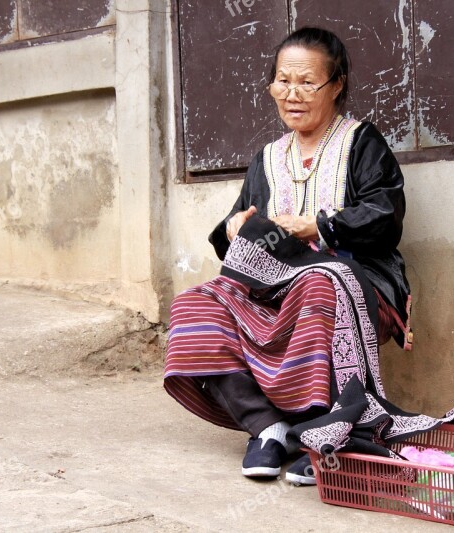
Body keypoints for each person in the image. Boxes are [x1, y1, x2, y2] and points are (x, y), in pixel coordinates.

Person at [163, 27, 414, 484]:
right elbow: (240, 224)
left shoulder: (361, 143)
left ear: (336, 85)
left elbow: (385, 213)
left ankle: (323, 431)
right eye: (283, 82)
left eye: (307, 83)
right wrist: (234, 227)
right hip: (275, 285)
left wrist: (319, 225)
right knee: (194, 304)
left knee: (318, 285)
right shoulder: (267, 157)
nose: (292, 94)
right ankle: (267, 426)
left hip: (355, 282)